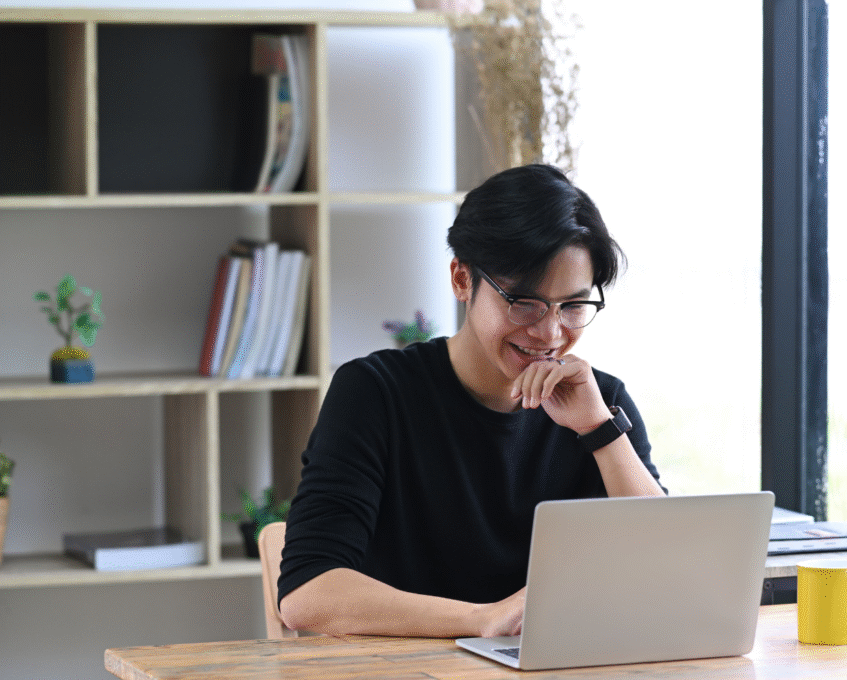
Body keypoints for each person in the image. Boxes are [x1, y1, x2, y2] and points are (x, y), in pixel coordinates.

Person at [278, 164, 665, 639]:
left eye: (572, 306)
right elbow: (308, 593)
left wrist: (600, 430)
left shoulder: (600, 401)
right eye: (524, 302)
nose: (549, 332)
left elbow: (668, 573)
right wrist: (482, 619)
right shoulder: (375, 393)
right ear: (463, 279)